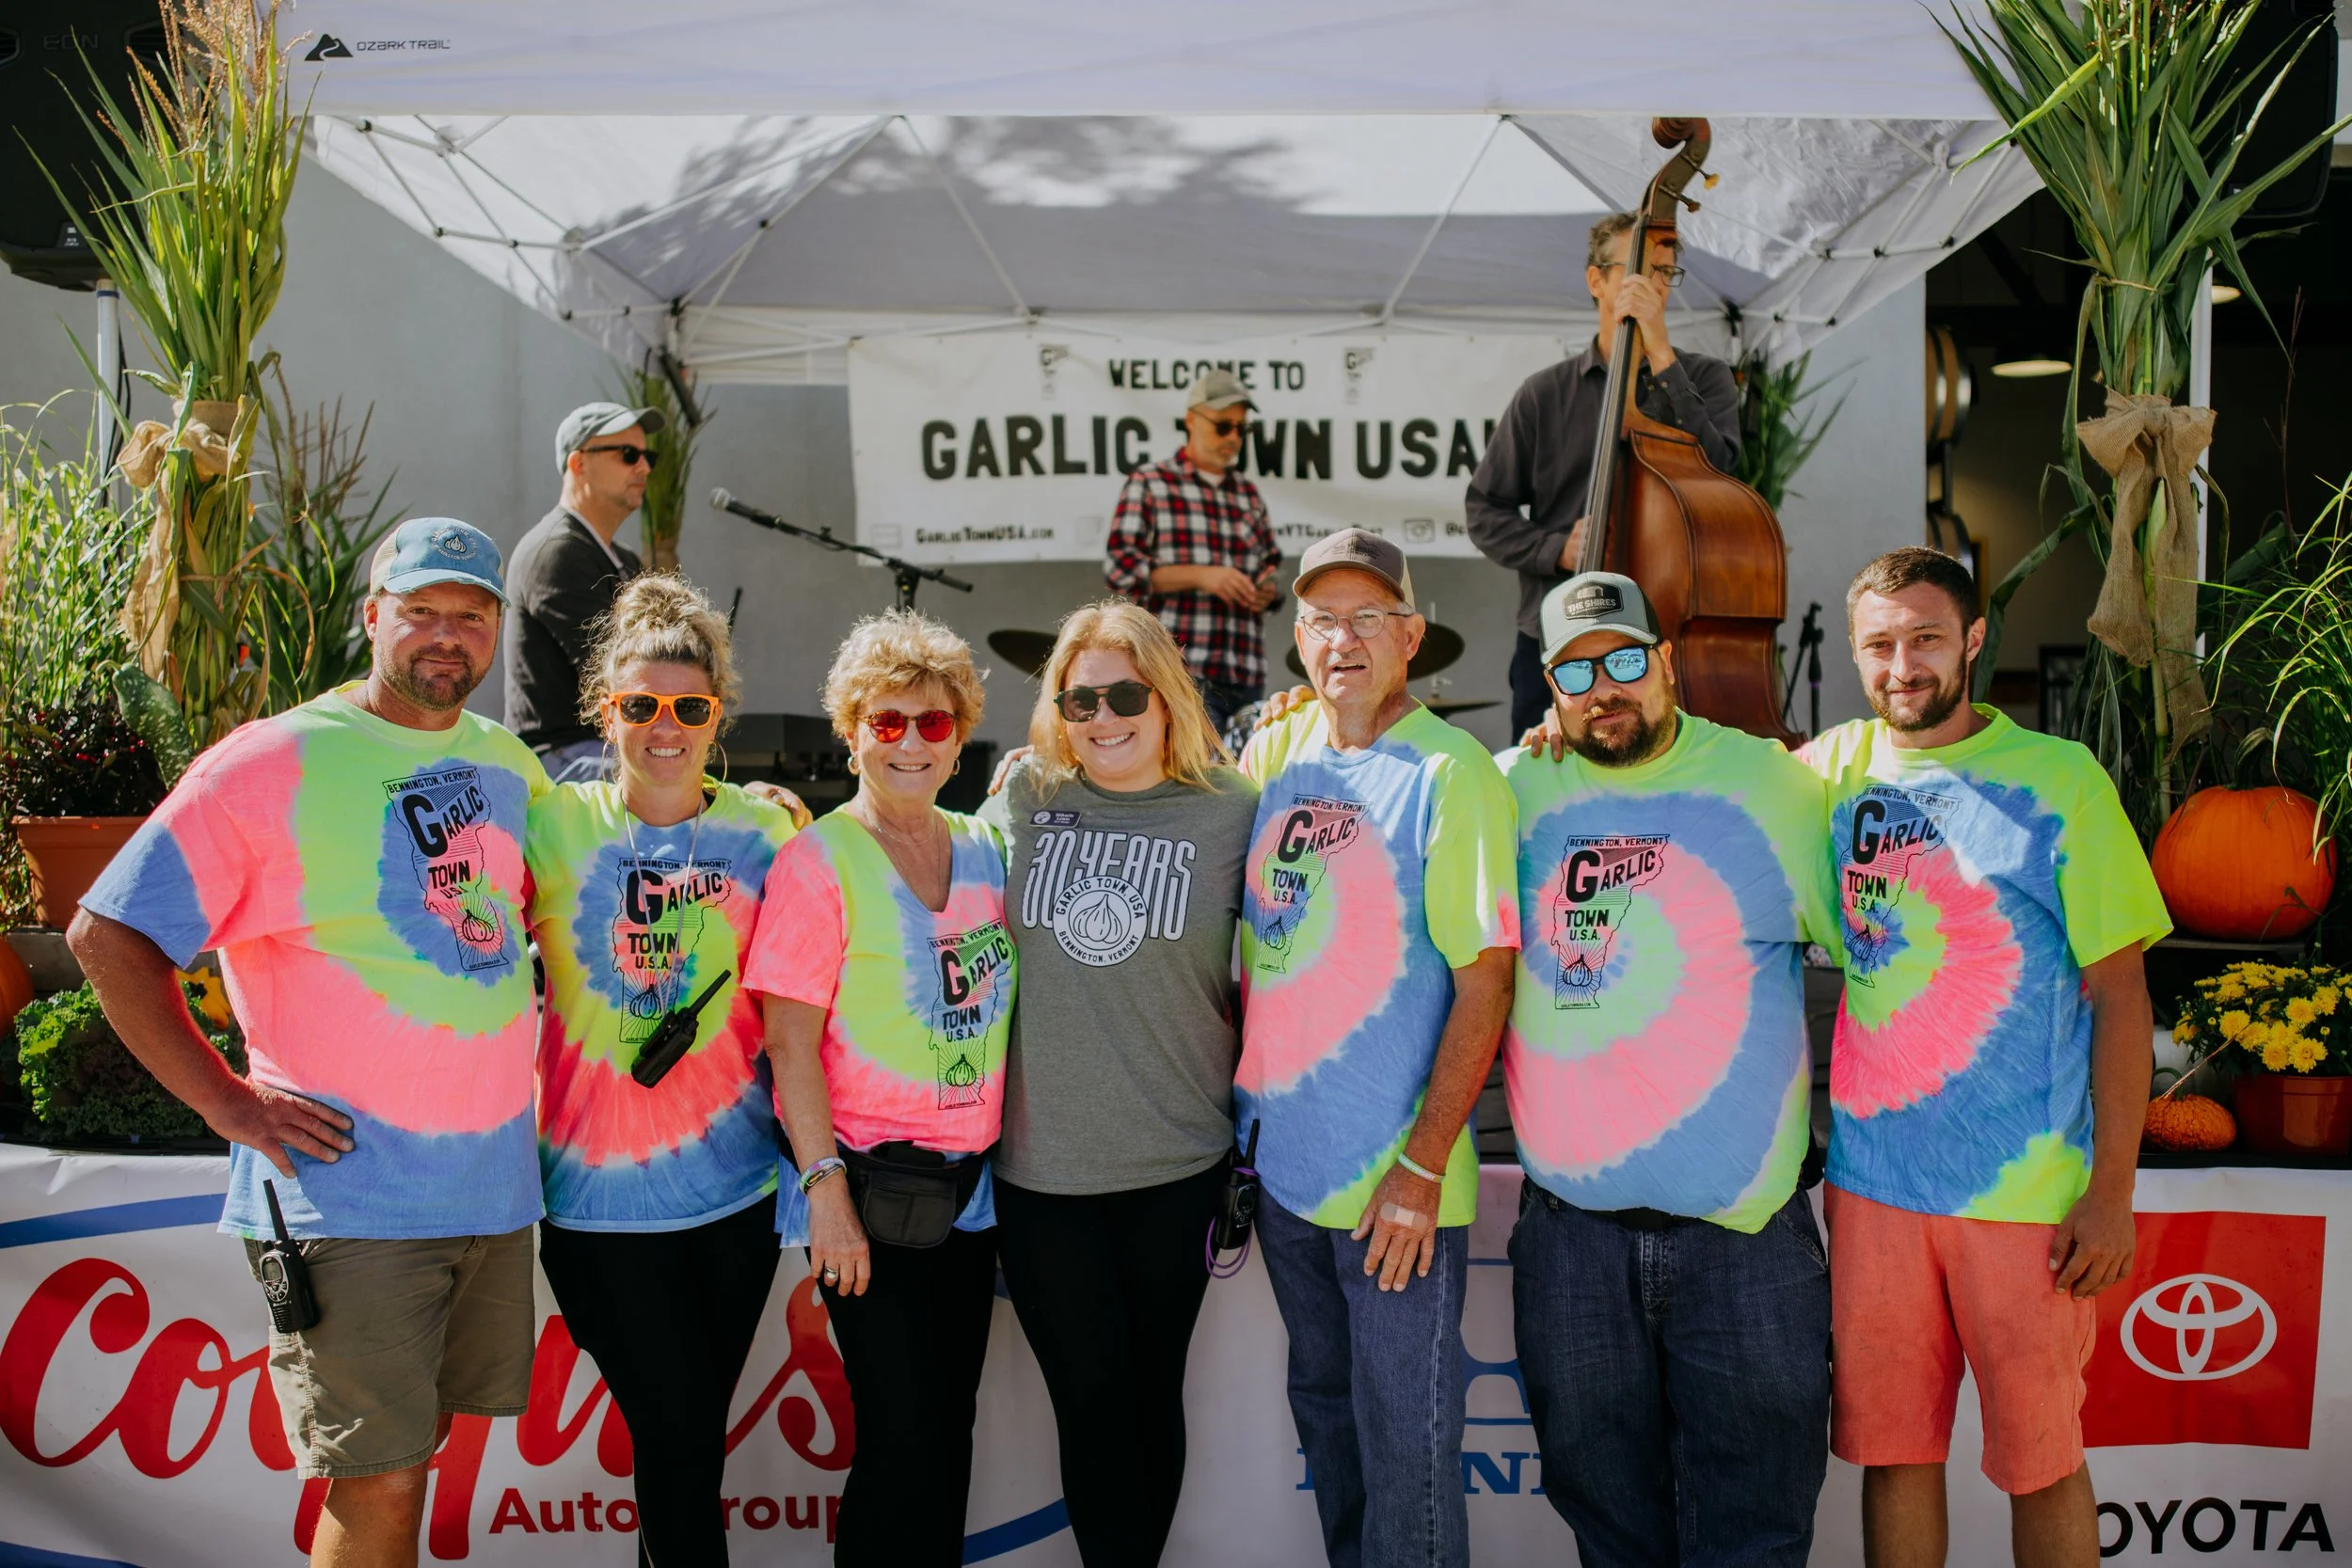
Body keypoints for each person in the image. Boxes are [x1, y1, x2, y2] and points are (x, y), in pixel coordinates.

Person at [68, 518, 547, 1568]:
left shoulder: (506, 763)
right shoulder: (269, 761)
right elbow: (105, 934)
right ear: (372, 617)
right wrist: (226, 1101)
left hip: (487, 1188)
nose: (446, 636)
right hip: (349, 1193)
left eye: (470, 615)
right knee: (374, 1480)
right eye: (420, 610)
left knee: (411, 1462)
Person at [1801, 547, 2163, 1568]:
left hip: (2028, 1199)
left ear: (1969, 641)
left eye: (1923, 638)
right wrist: (1551, 737)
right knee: (1895, 1455)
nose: (1900, 664)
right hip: (1875, 1188)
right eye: (1878, 643)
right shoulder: (1831, 770)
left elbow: (2123, 991)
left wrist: (2112, 1191)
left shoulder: (2059, 779)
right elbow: (1683, 778)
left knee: (2041, 1460)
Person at [1499, 571, 1836, 1568]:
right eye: (1575, 669)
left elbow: (1872, 950)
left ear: (1668, 661)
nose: (1605, 686)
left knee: (1758, 1532)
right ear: (1549, 687)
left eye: (1624, 659)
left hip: (1745, 1247)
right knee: (1609, 1532)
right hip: (1571, 1246)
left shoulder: (1778, 783)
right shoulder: (1509, 789)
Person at [1235, 527, 1518, 1568]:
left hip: (1391, 1187)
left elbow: (1486, 977)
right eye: (1319, 619)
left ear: (1411, 634)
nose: (1340, 639)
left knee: (1408, 1454)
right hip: (1284, 1174)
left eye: (1366, 617)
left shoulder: (1454, 772)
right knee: (1331, 1422)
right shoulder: (1273, 749)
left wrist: (1419, 1163)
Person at [977, 600, 1260, 1568]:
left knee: (1150, 1394)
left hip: (1176, 1159)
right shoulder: (1022, 794)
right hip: (1042, 1170)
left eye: (1124, 692)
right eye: (1080, 696)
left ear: (1165, 692)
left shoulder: (1233, 809)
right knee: (1090, 1405)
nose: (1104, 715)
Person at [525, 573, 799, 1567]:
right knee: (682, 1438)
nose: (665, 726)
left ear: (717, 713)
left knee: (681, 1446)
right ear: (608, 710)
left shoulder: (769, 835)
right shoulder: (550, 825)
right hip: (597, 1205)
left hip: (738, 1193)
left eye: (689, 707)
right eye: (641, 705)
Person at [742, 610, 1013, 1568]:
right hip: (862, 1195)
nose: (908, 741)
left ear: (959, 735)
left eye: (932, 723)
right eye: (886, 720)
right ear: (851, 728)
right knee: (902, 1439)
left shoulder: (987, 849)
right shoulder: (817, 861)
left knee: (948, 1432)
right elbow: (787, 1043)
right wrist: (826, 1194)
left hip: (970, 1197)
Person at [1466, 211, 1741, 738]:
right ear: (1597, 280)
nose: (1653, 285)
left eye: (1665, 272)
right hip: (1557, 636)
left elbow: (1721, 473)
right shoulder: (1544, 395)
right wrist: (1556, 550)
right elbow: (1484, 509)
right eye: (1639, 269)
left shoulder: (1706, 379)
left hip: (1670, 636)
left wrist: (1660, 352)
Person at [1104, 366, 1285, 734]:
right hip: (1181, 672)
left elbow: (1272, 567)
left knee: (1243, 784)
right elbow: (1120, 569)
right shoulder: (1151, 483)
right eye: (1223, 426)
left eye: (1241, 428)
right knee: (1194, 783)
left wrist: (1266, 590)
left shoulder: (1247, 494)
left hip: (1246, 675)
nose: (1233, 437)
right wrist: (1203, 577)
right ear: (1191, 420)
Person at [505, 401, 667, 780]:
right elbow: (621, 673)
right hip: (561, 755)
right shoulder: (557, 551)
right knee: (676, 788)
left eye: (648, 456)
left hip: (603, 746)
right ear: (578, 463)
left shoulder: (618, 556)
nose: (644, 467)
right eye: (628, 455)